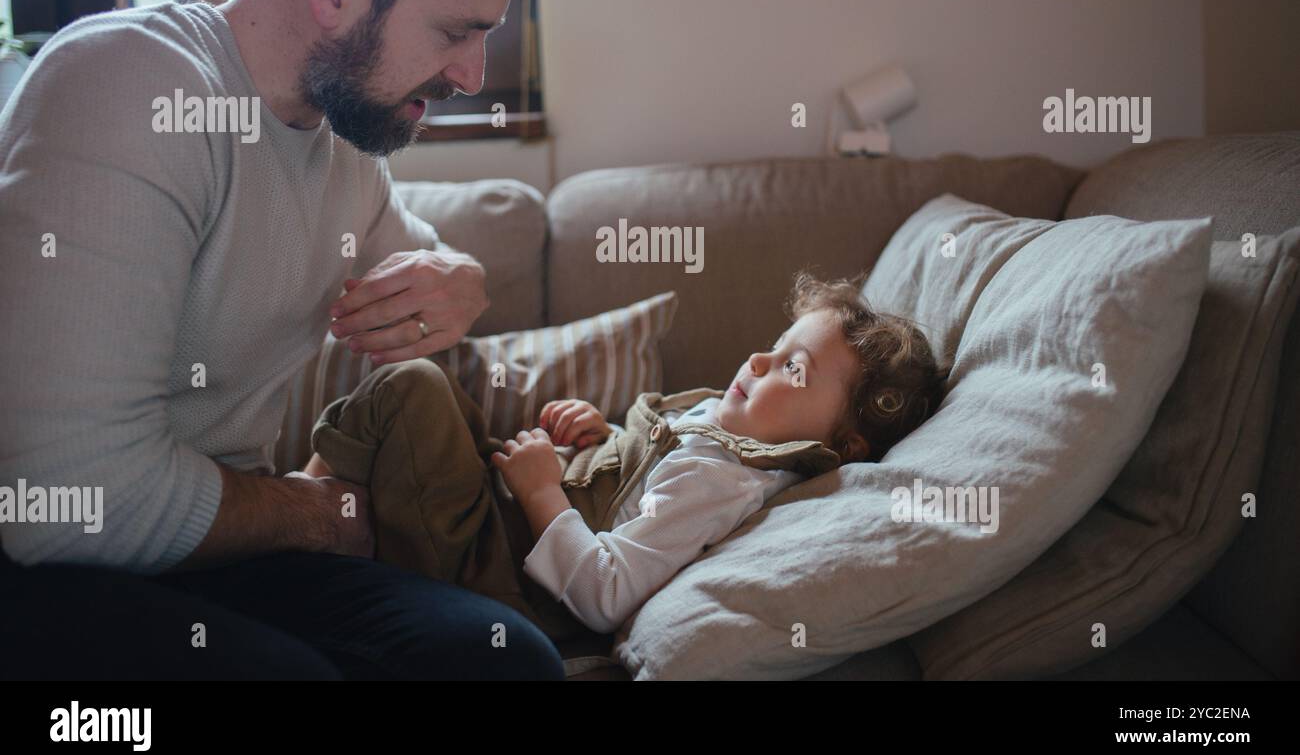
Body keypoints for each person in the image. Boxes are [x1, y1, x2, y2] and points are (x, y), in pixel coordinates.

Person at [0, 0, 567, 680]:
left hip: (215, 548)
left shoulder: (343, 149)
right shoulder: (128, 90)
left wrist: (465, 277)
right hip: (48, 568)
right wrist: (321, 512)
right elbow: (65, 505)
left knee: (506, 659)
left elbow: (424, 262)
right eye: (455, 31)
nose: (472, 75)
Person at [306, 270, 951, 644]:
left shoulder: (723, 483)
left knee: (413, 385)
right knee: (441, 391)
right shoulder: (716, 429)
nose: (757, 362)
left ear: (842, 446)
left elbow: (607, 594)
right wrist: (601, 435)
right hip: (496, 505)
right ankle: (332, 511)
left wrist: (541, 494)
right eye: (773, 345)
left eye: (793, 368)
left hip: (491, 568)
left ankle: (304, 502)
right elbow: (637, 483)